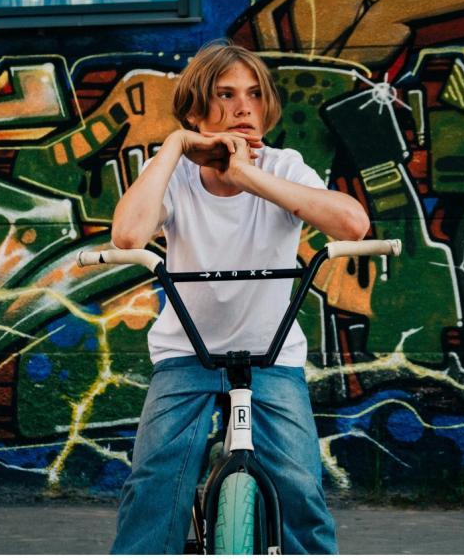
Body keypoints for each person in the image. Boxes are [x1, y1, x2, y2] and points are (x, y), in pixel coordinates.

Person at [109, 39, 370, 554]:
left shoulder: (285, 165)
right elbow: (128, 236)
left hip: (271, 357)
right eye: (225, 95)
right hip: (187, 355)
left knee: (300, 491)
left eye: (253, 94)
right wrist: (173, 147)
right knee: (154, 485)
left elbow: (353, 223)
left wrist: (247, 174)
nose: (243, 107)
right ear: (196, 107)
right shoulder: (177, 176)